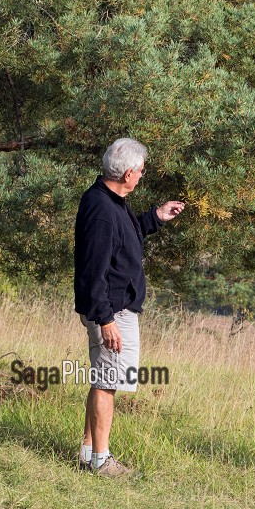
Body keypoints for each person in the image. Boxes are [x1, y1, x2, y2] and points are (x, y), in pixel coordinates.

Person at [74, 138, 186, 477]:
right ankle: (101, 460)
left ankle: (88, 452)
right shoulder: (102, 210)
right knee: (108, 381)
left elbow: (127, 234)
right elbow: (93, 269)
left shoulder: (111, 200)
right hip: (111, 310)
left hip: (114, 307)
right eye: (140, 171)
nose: (142, 175)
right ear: (126, 173)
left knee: (104, 379)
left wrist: (155, 217)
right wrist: (106, 320)